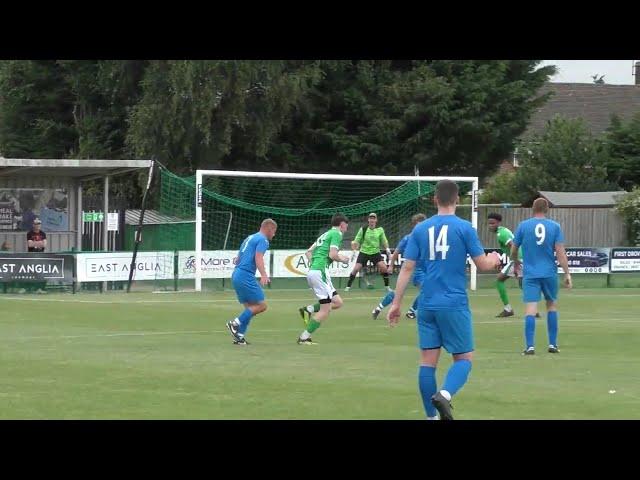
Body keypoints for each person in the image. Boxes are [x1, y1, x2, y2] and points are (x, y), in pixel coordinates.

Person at [387, 180, 501, 420]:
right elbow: (482, 265)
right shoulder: (464, 228)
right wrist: (494, 259)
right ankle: (445, 395)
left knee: (427, 362)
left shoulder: (419, 229)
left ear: (435, 200)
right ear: (457, 200)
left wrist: (396, 303)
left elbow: (407, 268)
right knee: (464, 359)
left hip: (426, 303)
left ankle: (431, 417)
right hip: (453, 302)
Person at [512, 198, 571, 355]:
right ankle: (552, 345)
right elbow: (560, 252)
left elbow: (514, 247)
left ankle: (530, 346)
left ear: (533, 208)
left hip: (530, 274)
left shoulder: (523, 226)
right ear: (547, 209)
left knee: (531, 308)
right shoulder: (555, 226)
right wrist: (567, 273)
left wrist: (515, 261)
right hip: (549, 272)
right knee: (551, 305)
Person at [297, 213, 350, 345]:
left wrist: (314, 265)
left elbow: (308, 252)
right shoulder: (337, 234)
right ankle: (304, 338)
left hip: (316, 271)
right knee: (325, 310)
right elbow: (333, 254)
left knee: (337, 302)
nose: (346, 228)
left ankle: (308, 310)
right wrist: (343, 259)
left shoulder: (325, 234)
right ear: (342, 224)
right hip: (320, 272)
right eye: (346, 225)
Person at [226, 218, 278, 345]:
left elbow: (238, 259)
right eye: (274, 231)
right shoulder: (263, 240)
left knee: (250, 309)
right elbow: (258, 257)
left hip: (237, 274)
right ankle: (234, 323)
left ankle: (239, 337)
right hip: (245, 275)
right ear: (269, 228)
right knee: (261, 305)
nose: (274, 234)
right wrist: (264, 274)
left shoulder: (249, 238)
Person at [371, 213, 426, 320]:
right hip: (408, 269)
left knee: (427, 291)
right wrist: (391, 265)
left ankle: (412, 311)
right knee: (398, 292)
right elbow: (396, 251)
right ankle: (378, 308)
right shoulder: (408, 238)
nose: (420, 227)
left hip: (421, 269)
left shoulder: (427, 238)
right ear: (414, 225)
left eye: (422, 225)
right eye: (418, 225)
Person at [487, 212, 523, 317]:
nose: (490, 226)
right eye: (489, 223)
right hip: (522, 258)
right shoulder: (503, 230)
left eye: (492, 223)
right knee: (523, 284)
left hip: (518, 259)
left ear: (498, 223)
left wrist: (516, 262)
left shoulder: (501, 234)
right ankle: (533, 309)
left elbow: (512, 245)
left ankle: (508, 309)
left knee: (499, 279)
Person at [345, 212, 392, 291]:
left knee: (383, 267)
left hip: (375, 252)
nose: (372, 220)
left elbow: (384, 241)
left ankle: (387, 287)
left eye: (374, 218)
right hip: (364, 252)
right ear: (368, 220)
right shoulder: (363, 229)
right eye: (370, 218)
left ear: (376, 220)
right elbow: (356, 241)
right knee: (356, 268)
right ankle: (348, 287)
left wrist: (387, 249)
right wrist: (353, 251)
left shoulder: (380, 230)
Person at [27, 218, 47, 294]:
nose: (38, 225)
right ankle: (31, 288)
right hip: (32, 255)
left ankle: (41, 288)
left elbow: (44, 244)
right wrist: (40, 243)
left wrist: (35, 243)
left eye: (39, 224)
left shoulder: (43, 233)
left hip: (41, 255)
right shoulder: (29, 233)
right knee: (31, 272)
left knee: (41, 272)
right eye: (36, 224)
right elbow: (29, 244)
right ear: (33, 225)